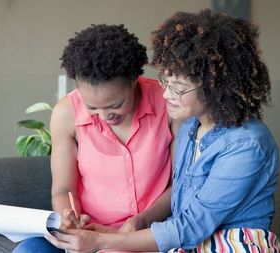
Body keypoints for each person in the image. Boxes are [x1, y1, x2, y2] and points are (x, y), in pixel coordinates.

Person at [45, 9, 280, 252]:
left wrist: (105, 241)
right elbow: (180, 202)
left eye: (178, 88)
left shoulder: (246, 144)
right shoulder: (192, 127)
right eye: (166, 82)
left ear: (214, 86)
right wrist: (134, 224)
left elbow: (191, 226)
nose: (166, 95)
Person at [13, 24, 176, 253]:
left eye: (116, 105)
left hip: (147, 234)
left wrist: (140, 221)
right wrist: (69, 217)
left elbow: (181, 185)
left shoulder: (169, 104)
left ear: (133, 79)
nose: (105, 116)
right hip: (89, 233)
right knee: (29, 250)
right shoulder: (66, 113)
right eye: (92, 107)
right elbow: (62, 189)